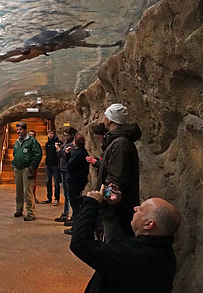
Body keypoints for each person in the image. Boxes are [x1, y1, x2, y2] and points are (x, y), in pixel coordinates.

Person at [70, 184, 180, 293]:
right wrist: (118, 204)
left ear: (149, 224)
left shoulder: (135, 256)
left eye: (140, 209)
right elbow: (127, 234)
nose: (135, 208)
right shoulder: (161, 250)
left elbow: (80, 244)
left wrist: (91, 204)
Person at [0, 22, 123, 74]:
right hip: (34, 47)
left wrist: (112, 45)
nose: (81, 38)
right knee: (7, 57)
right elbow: (60, 35)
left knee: (14, 61)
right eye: (81, 34)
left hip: (37, 50)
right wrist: (78, 27)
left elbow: (93, 45)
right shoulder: (65, 38)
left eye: (82, 35)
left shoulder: (73, 43)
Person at [97, 103, 142, 242]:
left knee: (115, 244)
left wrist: (101, 197)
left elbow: (115, 179)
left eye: (105, 115)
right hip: (116, 206)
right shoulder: (118, 141)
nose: (103, 118)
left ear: (110, 120)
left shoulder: (120, 144)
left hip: (116, 208)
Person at [13, 122, 42, 221]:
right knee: (19, 191)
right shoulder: (17, 142)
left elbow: (38, 154)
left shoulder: (32, 141)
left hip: (27, 169)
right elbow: (15, 154)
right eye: (17, 130)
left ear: (25, 130)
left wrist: (31, 167)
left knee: (27, 191)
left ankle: (31, 213)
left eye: (20, 129)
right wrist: (14, 165)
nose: (18, 131)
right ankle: (19, 209)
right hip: (18, 169)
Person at [63, 134, 90, 235]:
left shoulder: (79, 153)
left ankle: (76, 227)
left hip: (75, 181)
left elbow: (70, 166)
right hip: (79, 180)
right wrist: (68, 154)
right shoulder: (82, 152)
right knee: (76, 204)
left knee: (75, 205)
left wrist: (69, 156)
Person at [54, 126, 76, 222]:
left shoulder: (72, 145)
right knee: (66, 194)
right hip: (63, 169)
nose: (66, 137)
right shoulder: (66, 143)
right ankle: (65, 212)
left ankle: (70, 215)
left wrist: (59, 149)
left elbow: (66, 156)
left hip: (68, 170)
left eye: (67, 136)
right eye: (65, 136)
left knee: (69, 194)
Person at [41, 129, 60, 205]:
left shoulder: (57, 143)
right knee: (48, 181)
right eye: (49, 134)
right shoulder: (47, 144)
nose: (50, 135)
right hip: (48, 164)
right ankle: (49, 197)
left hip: (55, 165)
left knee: (56, 182)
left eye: (51, 133)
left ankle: (57, 198)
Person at [28, 130, 42, 204]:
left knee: (33, 182)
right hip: (26, 166)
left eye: (32, 135)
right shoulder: (24, 143)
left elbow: (38, 155)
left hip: (33, 166)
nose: (31, 136)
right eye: (30, 134)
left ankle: (33, 196)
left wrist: (34, 164)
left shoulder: (36, 144)